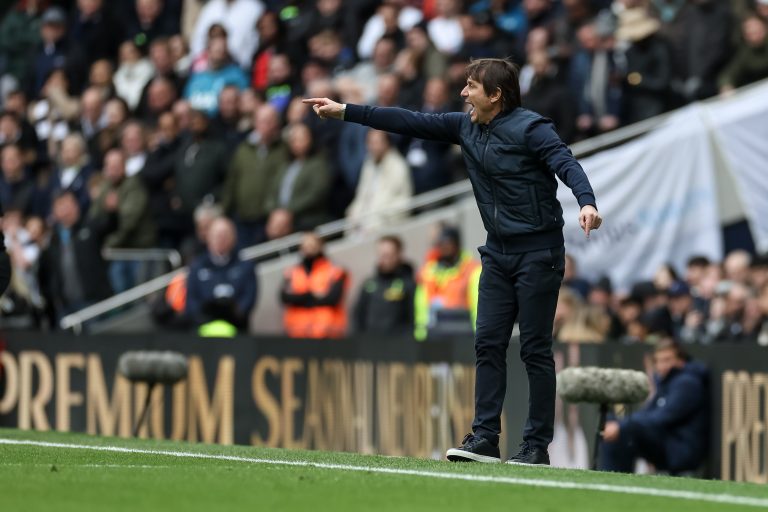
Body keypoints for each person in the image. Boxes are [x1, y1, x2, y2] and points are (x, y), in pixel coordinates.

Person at [304, 56, 602, 465]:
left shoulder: (532, 128)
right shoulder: (466, 126)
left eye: (472, 86)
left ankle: (536, 446)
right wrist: (345, 111)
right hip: (497, 253)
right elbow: (408, 120)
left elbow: (566, 162)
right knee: (488, 343)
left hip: (539, 253)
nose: (463, 93)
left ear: (495, 95)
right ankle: (485, 437)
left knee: (534, 349)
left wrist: (587, 202)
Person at [600, 339, 709, 474]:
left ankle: (615, 478)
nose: (662, 366)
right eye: (658, 361)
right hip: (667, 444)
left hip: (681, 452)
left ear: (681, 360)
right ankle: (612, 476)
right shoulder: (667, 382)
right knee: (613, 422)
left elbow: (661, 418)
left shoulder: (687, 383)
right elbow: (649, 413)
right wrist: (621, 425)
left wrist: (622, 427)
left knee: (625, 430)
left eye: (667, 360)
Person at [185, 216, 257, 336]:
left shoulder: (246, 266)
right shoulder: (197, 266)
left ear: (234, 237)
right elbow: (191, 302)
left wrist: (232, 315)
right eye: (217, 235)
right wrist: (205, 318)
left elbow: (248, 299)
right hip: (202, 332)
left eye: (225, 235)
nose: (221, 239)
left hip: (237, 332)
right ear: (208, 237)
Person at [413, 225, 481, 341]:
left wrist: (479, 339)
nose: (445, 247)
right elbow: (421, 308)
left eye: (448, 243)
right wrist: (421, 336)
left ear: (457, 244)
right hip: (434, 337)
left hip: (463, 336)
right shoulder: (427, 272)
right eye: (441, 243)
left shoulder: (472, 270)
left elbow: (478, 307)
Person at [280, 232, 348, 339]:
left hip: (327, 333)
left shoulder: (334, 271)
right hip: (297, 333)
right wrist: (312, 296)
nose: (308, 249)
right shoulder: (292, 272)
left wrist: (300, 299)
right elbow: (285, 297)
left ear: (320, 245)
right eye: (305, 245)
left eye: (312, 245)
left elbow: (333, 298)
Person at [354, 235, 416, 335]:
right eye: (381, 255)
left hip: (399, 341)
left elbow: (415, 317)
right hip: (372, 341)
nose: (384, 260)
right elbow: (358, 316)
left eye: (388, 255)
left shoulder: (409, 283)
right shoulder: (369, 284)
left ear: (399, 255)